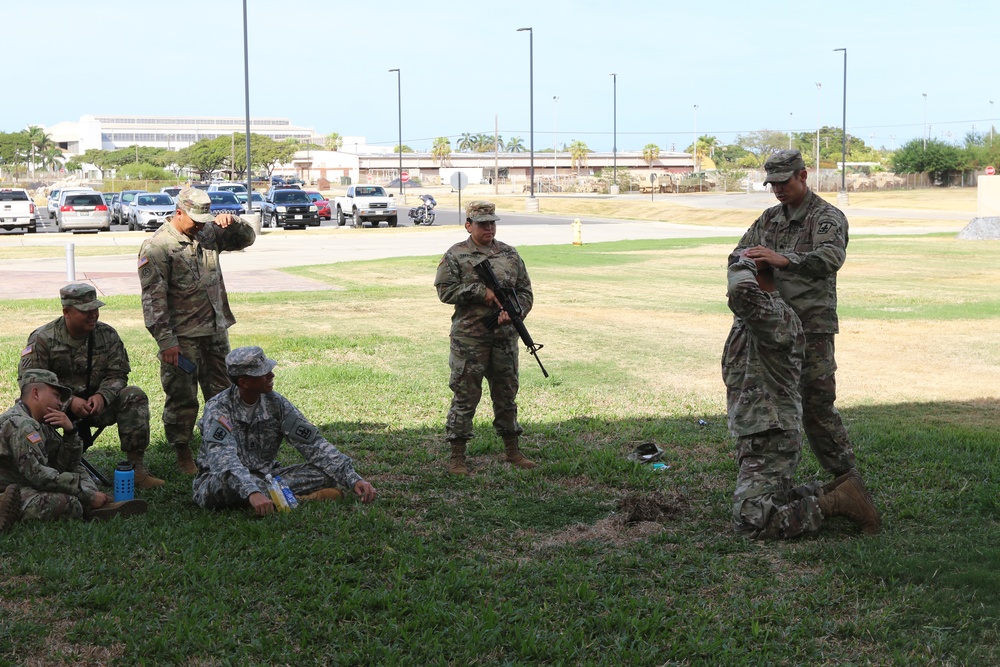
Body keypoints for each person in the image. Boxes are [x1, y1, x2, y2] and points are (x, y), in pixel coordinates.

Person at [724, 252, 880, 538]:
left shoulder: (773, 316)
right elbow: (740, 293)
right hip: (762, 429)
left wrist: (742, 260)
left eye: (747, 275)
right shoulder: (763, 314)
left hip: (771, 431)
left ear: (759, 281)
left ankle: (839, 501)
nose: (729, 289)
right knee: (762, 502)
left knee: (751, 522)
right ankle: (836, 491)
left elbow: (739, 290)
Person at [730, 149, 858, 480]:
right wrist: (748, 268)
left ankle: (846, 479)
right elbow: (739, 252)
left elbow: (830, 257)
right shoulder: (770, 218)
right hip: (771, 328)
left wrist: (783, 259)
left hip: (811, 326)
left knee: (816, 406)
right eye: (772, 184)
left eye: (783, 182)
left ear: (802, 175)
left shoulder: (826, 217)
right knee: (770, 405)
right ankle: (770, 478)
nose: (777, 190)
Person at [138, 187, 256, 475]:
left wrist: (235, 221)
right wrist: (166, 341)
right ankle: (183, 452)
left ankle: (223, 446)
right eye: (195, 219)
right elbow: (154, 299)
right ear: (179, 212)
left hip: (215, 332)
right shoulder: (157, 247)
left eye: (205, 219)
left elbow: (247, 239)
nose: (201, 225)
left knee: (223, 393)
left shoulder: (206, 234)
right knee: (182, 396)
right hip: (182, 339)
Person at [192, 346, 377, 516]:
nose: (271, 375)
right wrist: (252, 491)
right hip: (220, 480)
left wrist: (353, 478)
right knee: (226, 484)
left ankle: (274, 498)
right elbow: (224, 461)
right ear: (244, 382)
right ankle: (291, 498)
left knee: (327, 473)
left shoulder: (276, 403)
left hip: (266, 477)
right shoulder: (218, 408)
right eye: (263, 373)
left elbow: (313, 444)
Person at [18, 283, 163, 488]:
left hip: (96, 407)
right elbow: (30, 383)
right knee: (22, 413)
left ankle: (136, 469)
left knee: (134, 395)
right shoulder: (43, 339)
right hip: (54, 409)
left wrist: (103, 396)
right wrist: (68, 402)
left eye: (95, 309)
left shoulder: (107, 335)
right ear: (66, 312)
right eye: (85, 311)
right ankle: (40, 469)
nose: (93, 315)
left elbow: (118, 373)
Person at [434, 200, 537, 475]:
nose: (489, 228)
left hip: (504, 338)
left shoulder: (510, 255)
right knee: (465, 396)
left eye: (492, 222)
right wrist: (481, 293)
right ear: (469, 225)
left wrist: (514, 312)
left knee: (506, 395)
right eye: (482, 223)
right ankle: (457, 456)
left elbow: (525, 291)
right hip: (470, 340)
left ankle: (513, 451)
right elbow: (445, 291)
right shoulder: (456, 255)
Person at [0, 369, 147, 530]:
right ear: (36, 393)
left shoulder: (39, 422)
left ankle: (94, 506)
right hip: (10, 486)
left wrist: (70, 432)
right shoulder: (22, 425)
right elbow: (38, 475)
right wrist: (86, 494)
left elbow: (67, 464)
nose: (59, 403)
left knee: (76, 472)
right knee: (68, 504)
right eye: (56, 396)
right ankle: (5, 506)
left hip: (23, 482)